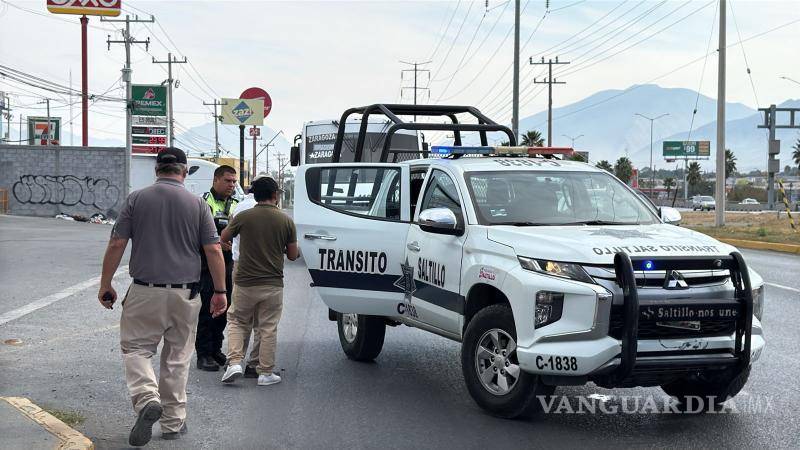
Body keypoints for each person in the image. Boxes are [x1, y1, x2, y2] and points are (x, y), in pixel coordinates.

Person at [98, 147, 228, 446]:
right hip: (186, 294)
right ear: (184, 172)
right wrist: (220, 291)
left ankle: (146, 399)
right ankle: (172, 423)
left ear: (157, 170)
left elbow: (117, 242)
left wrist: (106, 283)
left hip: (145, 291)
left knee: (136, 350)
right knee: (177, 359)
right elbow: (213, 250)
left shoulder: (136, 199)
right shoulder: (198, 205)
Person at [219, 176, 298, 386]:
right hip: (272, 283)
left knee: (237, 321)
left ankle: (234, 361)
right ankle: (264, 372)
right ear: (274, 195)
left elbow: (223, 237)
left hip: (245, 281)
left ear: (255, 194)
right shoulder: (286, 220)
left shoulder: (244, 216)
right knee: (267, 327)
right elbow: (292, 255)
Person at [195, 165, 239, 371]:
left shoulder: (236, 204)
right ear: (216, 180)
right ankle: (203, 354)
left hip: (229, 264)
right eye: (228, 181)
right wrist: (217, 244)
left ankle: (215, 349)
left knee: (224, 307)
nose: (232, 185)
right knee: (207, 309)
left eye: (234, 181)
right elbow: (195, 234)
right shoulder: (204, 203)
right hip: (207, 265)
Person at [229, 176, 261, 378]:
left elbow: (226, 235)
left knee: (240, 318)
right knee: (263, 322)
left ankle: (235, 361)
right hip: (268, 271)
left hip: (241, 266)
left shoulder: (240, 208)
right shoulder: (276, 213)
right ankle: (256, 364)